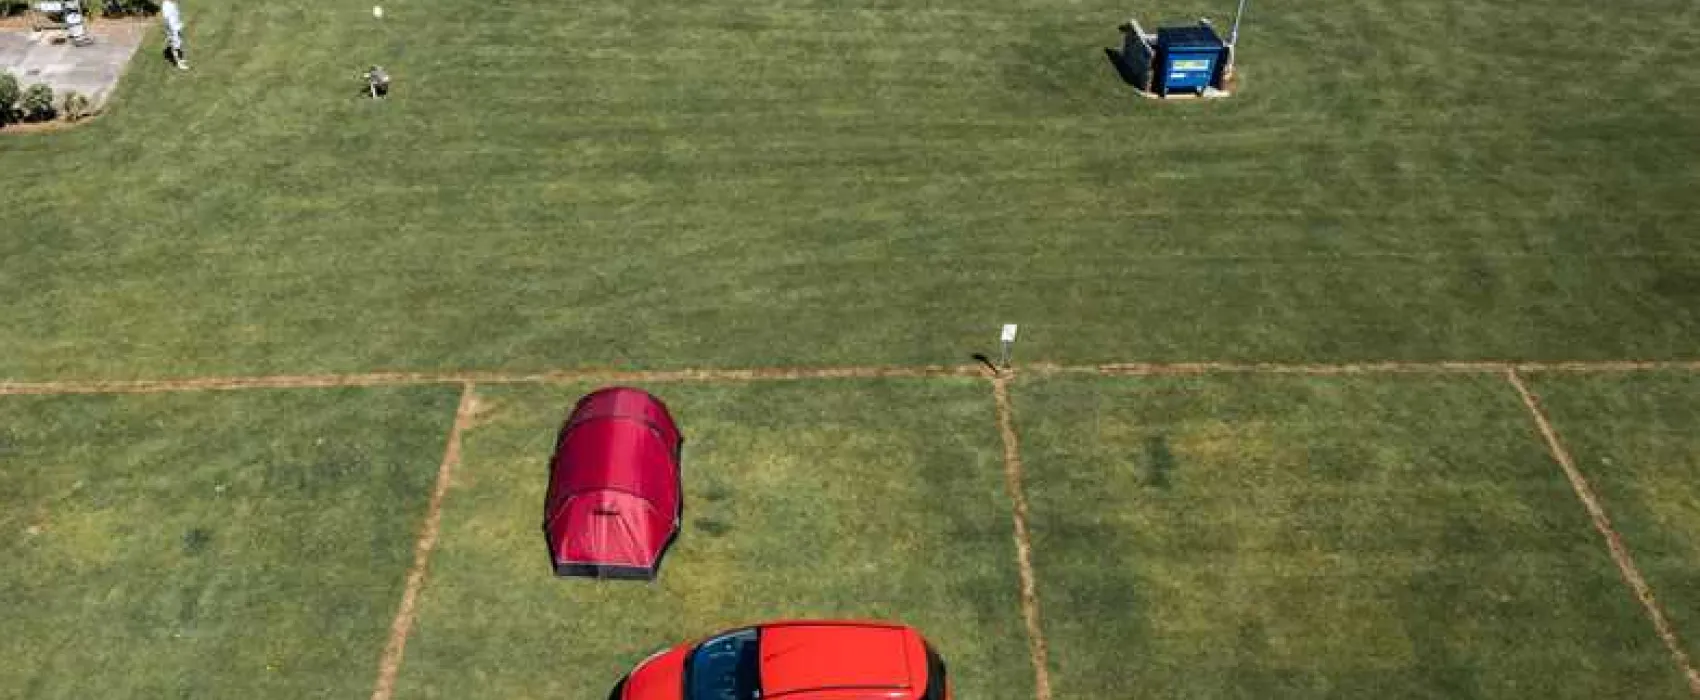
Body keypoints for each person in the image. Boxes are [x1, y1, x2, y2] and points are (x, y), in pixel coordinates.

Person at [161, 0, 187, 70]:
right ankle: (179, 63)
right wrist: (171, 31)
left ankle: (180, 59)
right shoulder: (166, 6)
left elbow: (176, 14)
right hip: (173, 28)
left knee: (179, 42)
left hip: (176, 25)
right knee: (176, 44)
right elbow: (167, 20)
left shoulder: (173, 4)